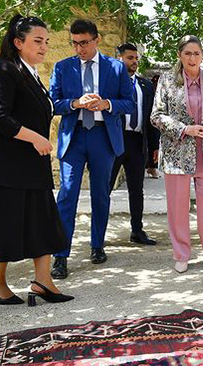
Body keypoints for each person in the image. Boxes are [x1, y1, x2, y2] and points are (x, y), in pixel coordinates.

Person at [0, 15, 73, 305]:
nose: (44, 47)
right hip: (5, 165)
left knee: (43, 221)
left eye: (47, 41)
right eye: (37, 41)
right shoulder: (2, 70)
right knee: (5, 223)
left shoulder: (32, 74)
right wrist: (36, 138)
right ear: (18, 42)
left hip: (31, 164)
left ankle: (42, 281)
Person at [49, 19, 135, 279]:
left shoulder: (115, 67)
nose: (79, 49)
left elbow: (129, 103)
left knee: (100, 194)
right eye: (74, 43)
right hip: (73, 137)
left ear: (97, 40)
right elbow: (53, 103)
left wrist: (107, 104)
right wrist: (75, 103)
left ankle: (97, 245)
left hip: (102, 137)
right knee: (67, 195)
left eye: (84, 43)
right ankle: (60, 255)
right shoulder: (62, 67)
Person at [150, 35, 203, 273]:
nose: (192, 58)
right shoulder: (166, 81)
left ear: (202, 56)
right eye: (187, 53)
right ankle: (181, 254)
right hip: (177, 155)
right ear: (179, 55)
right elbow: (156, 116)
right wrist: (184, 129)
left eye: (196, 53)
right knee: (177, 209)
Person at [109, 43, 159, 245]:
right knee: (105, 189)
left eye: (136, 58)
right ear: (119, 59)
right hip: (114, 142)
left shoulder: (145, 85)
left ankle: (137, 231)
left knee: (137, 190)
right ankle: (98, 235)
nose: (135, 62)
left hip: (138, 143)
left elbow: (151, 118)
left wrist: (154, 147)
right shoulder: (109, 84)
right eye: (130, 58)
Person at [146, 74, 162, 179]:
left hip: (155, 122)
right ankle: (151, 166)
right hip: (147, 121)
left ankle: (153, 166)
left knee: (154, 144)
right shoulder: (149, 91)